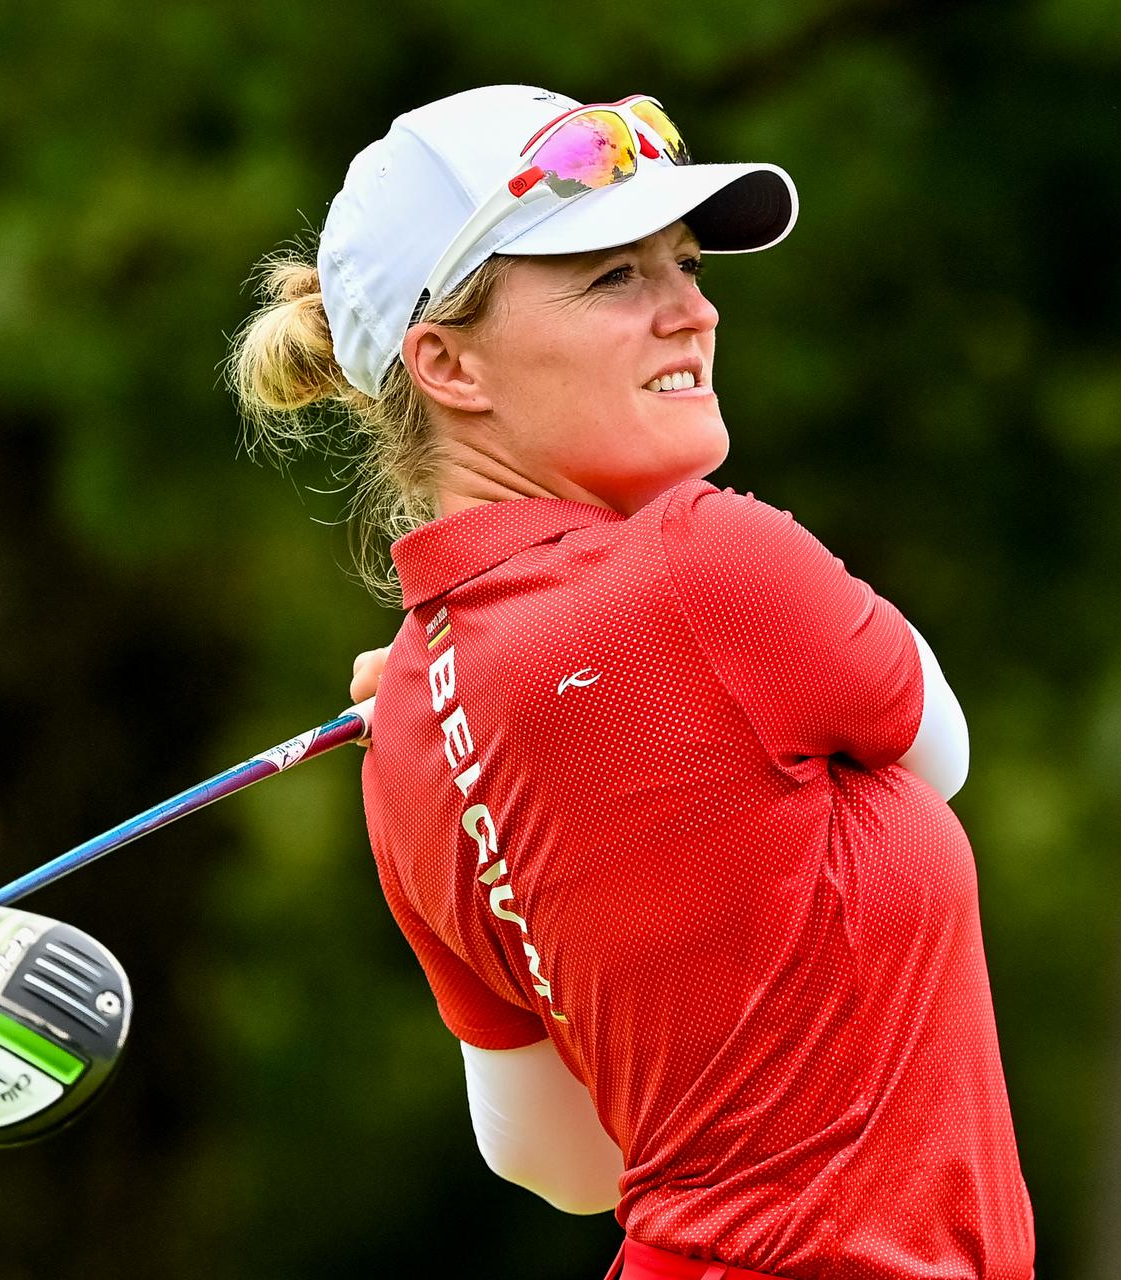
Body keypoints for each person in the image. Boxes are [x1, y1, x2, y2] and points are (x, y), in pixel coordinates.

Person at [228, 85, 1034, 1280]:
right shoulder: (711, 562)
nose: (693, 311)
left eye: (688, 262)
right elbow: (942, 750)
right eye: (615, 277)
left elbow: (559, 1160)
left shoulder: (405, 735)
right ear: (445, 360)